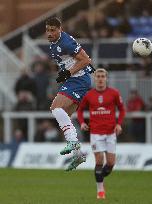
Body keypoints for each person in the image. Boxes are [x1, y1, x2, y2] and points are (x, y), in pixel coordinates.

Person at [46, 17, 95, 171]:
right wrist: (65, 72)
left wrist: (68, 73)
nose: (49, 33)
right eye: (47, 29)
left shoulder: (65, 42)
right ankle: (78, 154)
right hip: (73, 79)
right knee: (64, 115)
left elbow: (86, 60)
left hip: (78, 79)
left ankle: (73, 143)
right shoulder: (54, 44)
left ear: (60, 29)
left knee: (56, 108)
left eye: (53, 30)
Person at [77, 68, 125, 199]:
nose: (100, 78)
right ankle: (100, 190)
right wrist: (82, 122)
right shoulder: (89, 95)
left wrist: (119, 124)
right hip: (96, 133)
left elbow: (122, 109)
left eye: (103, 76)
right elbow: (80, 110)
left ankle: (99, 177)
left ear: (106, 78)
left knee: (110, 164)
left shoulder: (114, 93)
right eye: (98, 76)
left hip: (110, 133)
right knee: (99, 161)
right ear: (95, 78)